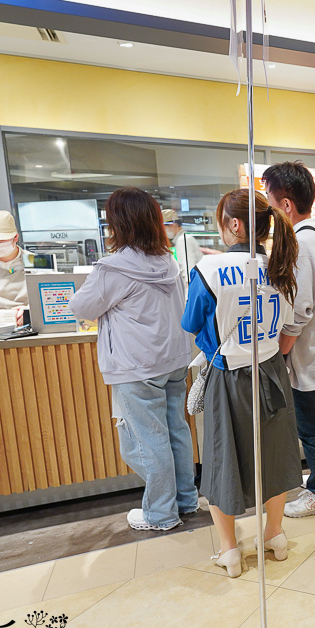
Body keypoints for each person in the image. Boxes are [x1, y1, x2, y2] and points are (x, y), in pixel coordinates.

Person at [181, 188, 302, 578]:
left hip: (228, 374)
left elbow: (191, 323)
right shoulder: (281, 265)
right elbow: (287, 322)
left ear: (234, 224)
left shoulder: (208, 269)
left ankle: (230, 550)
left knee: (222, 460)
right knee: (275, 454)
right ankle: (275, 534)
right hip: (272, 370)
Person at [69, 187, 197, 532]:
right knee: (176, 432)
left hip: (136, 366)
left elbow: (81, 307)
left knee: (146, 440)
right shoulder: (167, 261)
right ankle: (186, 501)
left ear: (117, 223)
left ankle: (161, 514)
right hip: (174, 359)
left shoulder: (113, 269)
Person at [262, 162, 315, 518]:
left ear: (286, 204)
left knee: (311, 426)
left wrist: (281, 353)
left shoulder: (303, 245)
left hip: (308, 354)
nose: (269, 211)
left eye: (270, 202)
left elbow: (299, 312)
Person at [163, 209, 203, 287]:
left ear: (173, 225)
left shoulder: (183, 240)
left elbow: (188, 269)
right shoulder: (182, 239)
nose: (164, 232)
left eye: (165, 228)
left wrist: (187, 290)